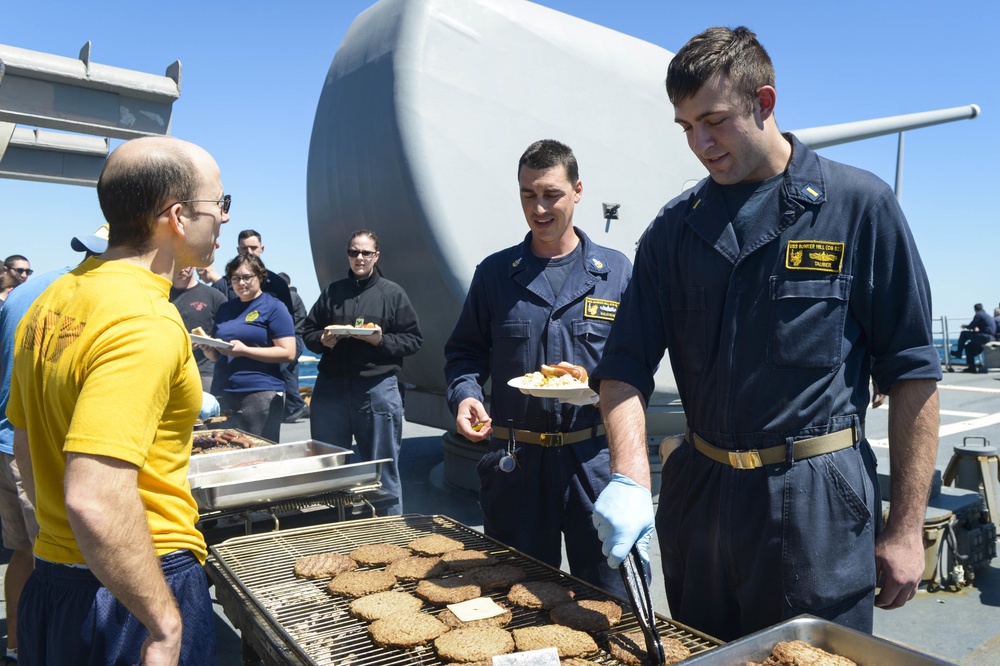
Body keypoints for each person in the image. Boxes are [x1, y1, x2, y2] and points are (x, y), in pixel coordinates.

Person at [589, 27, 941, 641]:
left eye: (714, 120)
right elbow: (623, 366)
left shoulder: (858, 206)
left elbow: (912, 372)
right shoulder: (674, 230)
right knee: (702, 651)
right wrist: (628, 476)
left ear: (765, 101)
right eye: (685, 127)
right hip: (700, 498)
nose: (699, 142)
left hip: (816, 506)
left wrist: (907, 527)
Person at [6, 136, 228, 664]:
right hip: (136, 587)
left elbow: (25, 442)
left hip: (54, 579)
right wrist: (164, 622)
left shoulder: (51, 300)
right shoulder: (145, 320)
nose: (222, 219)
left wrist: (61, 537)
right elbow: (95, 496)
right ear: (176, 216)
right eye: (218, 204)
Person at [443, 140, 633, 596]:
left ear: (578, 191)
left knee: (607, 596)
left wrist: (593, 382)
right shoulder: (494, 274)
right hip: (517, 464)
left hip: (592, 460)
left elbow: (634, 362)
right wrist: (465, 395)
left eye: (551, 194)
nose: (540, 207)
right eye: (528, 194)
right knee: (517, 594)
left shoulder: (616, 273)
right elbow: (463, 354)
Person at [0, 223, 106, 664]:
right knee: (61, 564)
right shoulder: (79, 298)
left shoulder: (28, 291)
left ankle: (15, 645)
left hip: (6, 442)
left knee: (22, 553)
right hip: (40, 448)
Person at [302, 230, 422, 515]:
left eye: (366, 253)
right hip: (331, 389)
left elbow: (413, 340)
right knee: (328, 468)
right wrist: (322, 340)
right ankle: (335, 531)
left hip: (376, 389)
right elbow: (307, 332)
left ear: (376, 256)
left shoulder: (392, 294)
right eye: (354, 252)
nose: (359, 258)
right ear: (348, 254)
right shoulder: (333, 292)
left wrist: (380, 340)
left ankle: (388, 536)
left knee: (382, 470)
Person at [199, 254, 296, 442]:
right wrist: (208, 349)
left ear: (260, 277)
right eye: (235, 278)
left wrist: (245, 350)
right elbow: (219, 357)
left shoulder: (274, 307)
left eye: (246, 277)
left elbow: (288, 352)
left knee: (257, 455)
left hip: (260, 392)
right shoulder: (226, 309)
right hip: (224, 391)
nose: (241, 282)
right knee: (224, 451)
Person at [170, 265, 227, 390]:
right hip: (169, 370)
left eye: (187, 262)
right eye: (178, 261)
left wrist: (211, 342)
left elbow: (229, 333)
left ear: (194, 264)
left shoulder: (214, 296)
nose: (182, 266)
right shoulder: (160, 295)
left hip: (204, 372)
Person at [278, 271, 311, 423]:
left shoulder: (289, 297)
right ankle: (291, 408)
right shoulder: (295, 297)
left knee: (282, 369)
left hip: (293, 337)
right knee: (291, 371)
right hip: (298, 338)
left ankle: (298, 405)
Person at [951, 303, 996, 371]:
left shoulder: (979, 314)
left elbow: (972, 326)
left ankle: (959, 352)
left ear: (975, 309)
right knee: (969, 346)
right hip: (990, 337)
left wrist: (965, 326)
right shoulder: (986, 315)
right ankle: (971, 367)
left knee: (963, 334)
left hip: (985, 337)